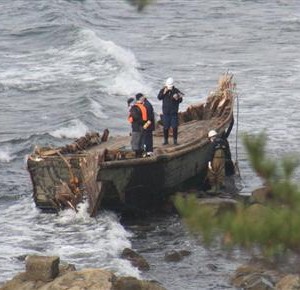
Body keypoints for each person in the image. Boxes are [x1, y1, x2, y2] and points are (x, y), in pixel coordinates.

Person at [206, 128, 235, 192]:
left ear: (211, 137)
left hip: (215, 159)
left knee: (212, 173)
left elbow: (210, 153)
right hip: (222, 159)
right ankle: (219, 188)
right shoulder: (223, 142)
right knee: (220, 173)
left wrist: (209, 162)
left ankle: (213, 188)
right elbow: (227, 151)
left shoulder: (213, 144)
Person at [157, 77, 183, 145]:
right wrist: (164, 92)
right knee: (166, 127)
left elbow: (181, 100)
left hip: (174, 112)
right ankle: (166, 140)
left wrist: (177, 98)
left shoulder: (176, 91)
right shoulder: (163, 90)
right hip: (166, 112)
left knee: (174, 127)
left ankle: (175, 140)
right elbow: (159, 97)